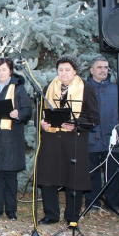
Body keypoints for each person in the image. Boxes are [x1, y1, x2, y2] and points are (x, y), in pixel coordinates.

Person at [37, 54, 99, 224]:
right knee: (48, 177)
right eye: (60, 70)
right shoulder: (49, 87)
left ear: (75, 71)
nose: (63, 73)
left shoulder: (87, 88)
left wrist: (76, 124)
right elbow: (41, 113)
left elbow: (94, 117)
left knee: (74, 178)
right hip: (51, 139)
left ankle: (72, 216)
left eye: (67, 70)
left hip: (74, 140)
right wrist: (41, 123)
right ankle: (51, 214)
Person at [0, 58, 32, 220]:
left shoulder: (18, 88)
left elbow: (27, 111)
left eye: (4, 70)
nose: (1, 73)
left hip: (11, 138)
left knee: (10, 176)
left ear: (10, 71)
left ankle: (11, 210)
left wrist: (19, 114)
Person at [85, 55, 119, 213]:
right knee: (91, 171)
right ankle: (93, 203)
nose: (103, 70)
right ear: (92, 70)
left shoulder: (116, 89)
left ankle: (112, 203)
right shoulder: (84, 88)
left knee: (112, 171)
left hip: (112, 137)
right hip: (91, 137)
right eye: (99, 67)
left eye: (105, 67)